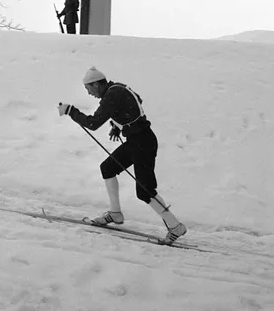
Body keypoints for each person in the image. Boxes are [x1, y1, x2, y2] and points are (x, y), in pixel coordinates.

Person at [58, 66, 187, 245]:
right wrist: (118, 125)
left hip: (142, 144)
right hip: (136, 141)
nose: (89, 94)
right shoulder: (117, 88)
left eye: (89, 89)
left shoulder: (112, 95)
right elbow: (136, 101)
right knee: (107, 168)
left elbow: (93, 123)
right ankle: (115, 213)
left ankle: (175, 226)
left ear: (96, 84)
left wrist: (71, 111)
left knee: (145, 191)